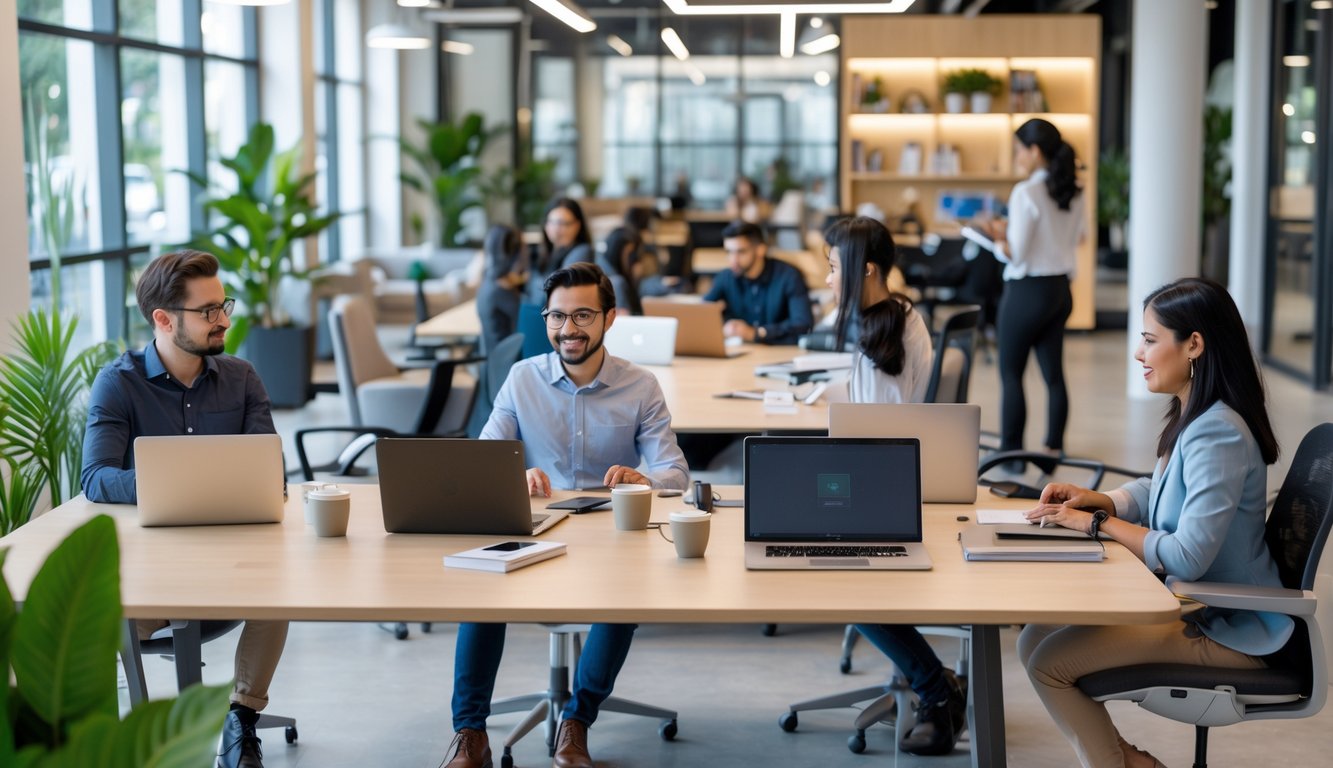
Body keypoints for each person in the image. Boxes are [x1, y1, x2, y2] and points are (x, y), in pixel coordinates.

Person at [1018, 277, 1286, 768]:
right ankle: (1129, 762)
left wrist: (1093, 525)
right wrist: (1097, 499)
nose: (1139, 354)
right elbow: (1160, 489)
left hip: (1230, 627)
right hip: (1196, 604)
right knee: (1035, 635)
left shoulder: (1218, 432)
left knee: (1048, 664)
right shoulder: (1197, 414)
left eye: (1148, 339)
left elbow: (1187, 554)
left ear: (1194, 345)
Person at [442, 262, 690, 768]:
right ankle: (471, 735)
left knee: (625, 599)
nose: (568, 329)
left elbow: (675, 474)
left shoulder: (640, 386)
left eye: (582, 315)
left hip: (609, 535)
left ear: (610, 318)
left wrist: (646, 479)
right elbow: (486, 459)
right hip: (533, 528)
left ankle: (576, 721)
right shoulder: (521, 378)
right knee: (481, 590)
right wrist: (515, 475)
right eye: (557, 317)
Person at [81, 249, 287, 768]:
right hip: (154, 574)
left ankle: (241, 719)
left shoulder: (242, 378)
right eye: (208, 312)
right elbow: (96, 478)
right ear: (164, 319)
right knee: (96, 622)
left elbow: (270, 475)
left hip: (235, 569)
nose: (224, 320)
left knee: (284, 590)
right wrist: (173, 484)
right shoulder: (119, 382)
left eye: (224, 306)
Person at [824, 217, 965, 756]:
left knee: (838, 577)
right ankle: (935, 682)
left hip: (886, 484)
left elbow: (876, 438)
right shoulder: (896, 314)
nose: (830, 278)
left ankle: (936, 689)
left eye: (836, 268)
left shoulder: (885, 333)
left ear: (868, 270)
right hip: (894, 473)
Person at [986, 118, 1086, 457]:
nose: (1017, 157)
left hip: (1026, 292)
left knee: (1011, 374)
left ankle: (1012, 454)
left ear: (1035, 150)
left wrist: (997, 240)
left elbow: (1017, 254)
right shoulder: (1074, 189)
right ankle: (1052, 449)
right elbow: (1076, 239)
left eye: (1019, 150)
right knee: (1054, 375)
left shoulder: (1025, 192)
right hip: (1059, 290)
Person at [702, 221, 813, 345]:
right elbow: (702, 311)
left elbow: (803, 325)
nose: (733, 260)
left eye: (741, 252)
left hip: (780, 352)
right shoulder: (725, 277)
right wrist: (723, 326)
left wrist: (756, 333)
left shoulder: (789, 276)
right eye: (729, 252)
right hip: (742, 352)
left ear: (761, 250)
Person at [527, 197, 593, 305]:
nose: (556, 228)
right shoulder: (542, 254)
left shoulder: (581, 253)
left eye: (563, 223)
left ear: (577, 225)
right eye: (551, 222)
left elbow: (563, 294)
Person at [476, 224, 526, 353]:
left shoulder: (487, 283)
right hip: (507, 366)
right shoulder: (501, 291)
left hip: (492, 362)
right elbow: (528, 327)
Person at [597, 226, 644, 315]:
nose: (634, 260)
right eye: (631, 254)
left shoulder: (601, 270)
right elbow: (625, 322)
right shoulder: (617, 283)